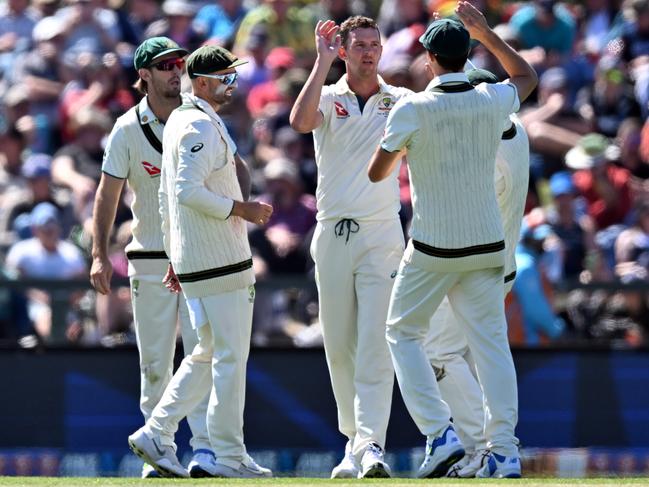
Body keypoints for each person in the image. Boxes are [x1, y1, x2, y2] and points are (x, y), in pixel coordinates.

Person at [368, 1, 537, 479]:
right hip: (487, 249)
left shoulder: (412, 107)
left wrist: (399, 145)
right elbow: (525, 77)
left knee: (402, 333)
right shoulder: (493, 102)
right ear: (468, 54)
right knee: (491, 350)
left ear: (429, 60)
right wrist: (486, 34)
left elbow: (378, 173)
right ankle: (503, 451)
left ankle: (441, 434)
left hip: (434, 248)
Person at [128, 44, 273, 479]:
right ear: (204, 83)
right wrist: (241, 209)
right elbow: (185, 192)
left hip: (201, 259)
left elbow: (167, 195)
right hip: (220, 260)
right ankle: (228, 456)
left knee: (208, 353)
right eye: (226, 78)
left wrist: (175, 254)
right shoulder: (197, 126)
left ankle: (158, 431)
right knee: (228, 358)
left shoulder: (184, 120)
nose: (233, 84)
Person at [289, 16, 413, 479]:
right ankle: (354, 443)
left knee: (376, 345)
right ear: (343, 50)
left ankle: (372, 445)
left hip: (382, 234)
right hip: (333, 232)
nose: (368, 52)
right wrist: (320, 64)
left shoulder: (399, 100)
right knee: (339, 347)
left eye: (374, 44)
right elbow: (300, 122)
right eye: (359, 45)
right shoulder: (328, 95)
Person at [89, 37, 214, 479]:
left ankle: (205, 451)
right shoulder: (126, 128)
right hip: (150, 255)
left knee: (202, 354)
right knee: (156, 360)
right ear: (144, 75)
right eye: (164, 66)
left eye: (179, 63)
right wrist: (99, 254)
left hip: (201, 255)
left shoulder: (199, 117)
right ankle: (158, 451)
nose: (175, 71)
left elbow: (236, 172)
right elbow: (108, 193)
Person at [423, 67, 531, 478]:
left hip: (472, 264)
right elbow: (521, 80)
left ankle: (482, 448)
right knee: (484, 356)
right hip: (497, 265)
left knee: (438, 352)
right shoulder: (516, 130)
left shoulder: (490, 159)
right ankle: (499, 451)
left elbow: (459, 212)